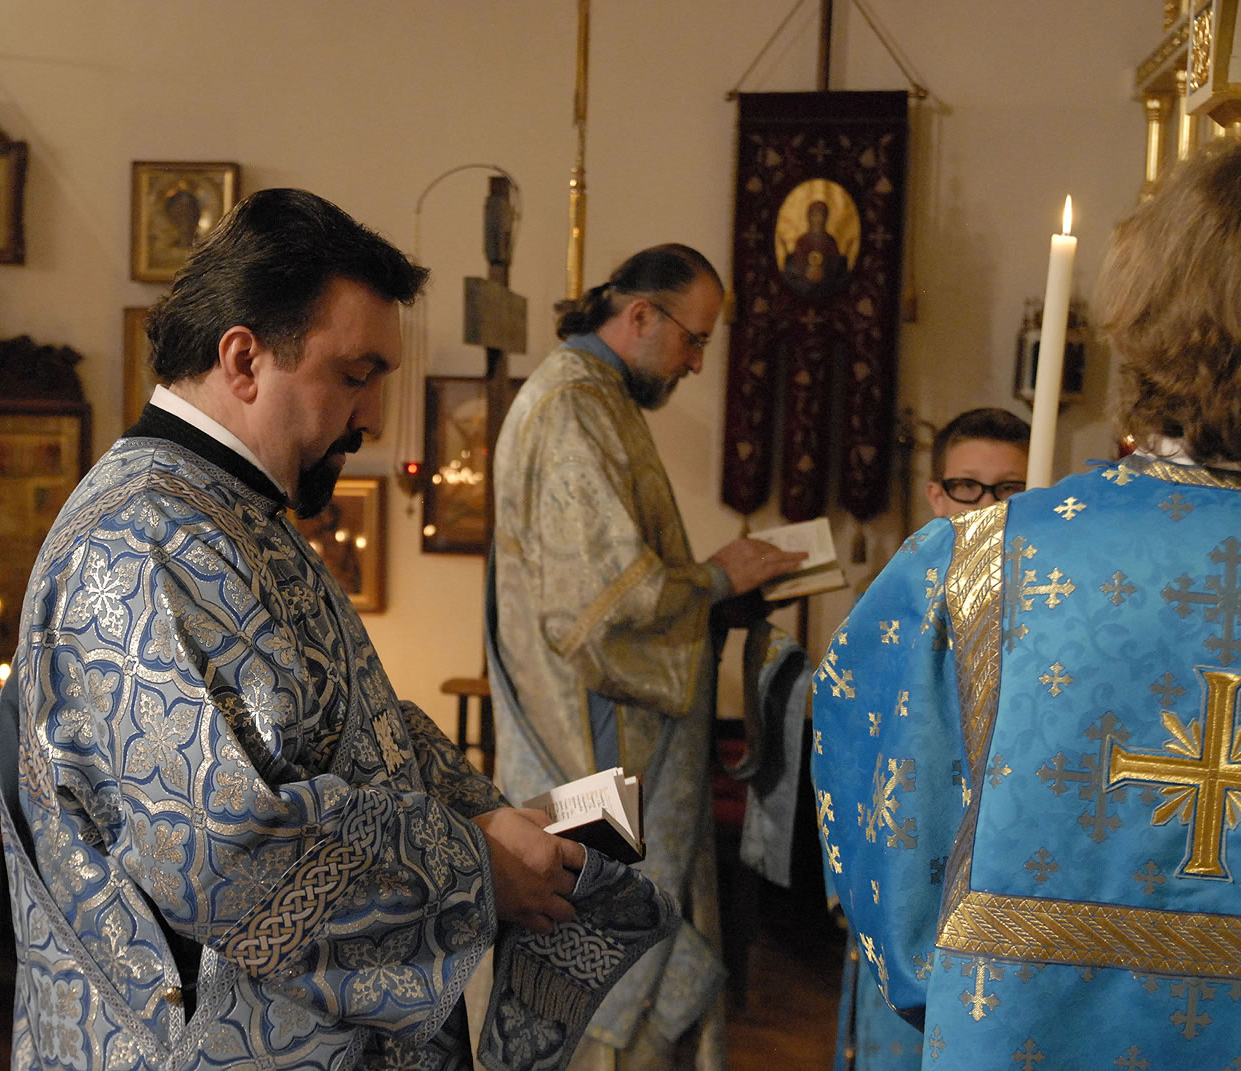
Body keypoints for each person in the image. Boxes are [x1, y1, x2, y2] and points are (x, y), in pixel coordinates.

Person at [0, 188, 679, 1071]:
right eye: (356, 376)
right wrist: (473, 867)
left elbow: (360, 727)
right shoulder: (138, 540)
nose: (374, 418)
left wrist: (489, 813)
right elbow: (226, 848)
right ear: (244, 358)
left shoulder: (232, 511)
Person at [810, 142, 1241, 1070]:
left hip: (1015, 1035)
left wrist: (949, 983)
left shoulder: (980, 561)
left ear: (1145, 312)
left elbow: (882, 801)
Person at [488, 243, 808, 1070]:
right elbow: (599, 607)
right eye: (694, 339)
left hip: (622, 741)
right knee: (613, 967)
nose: (697, 362)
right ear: (640, 316)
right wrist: (716, 577)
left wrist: (719, 598)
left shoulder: (598, 397)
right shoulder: (572, 405)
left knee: (640, 949)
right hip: (600, 755)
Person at [826, 407, 1029, 1071]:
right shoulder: (899, 595)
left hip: (1010, 850)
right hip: (915, 844)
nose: (988, 506)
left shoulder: (1053, 598)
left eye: (1010, 489)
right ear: (937, 495)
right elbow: (851, 722)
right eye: (969, 487)